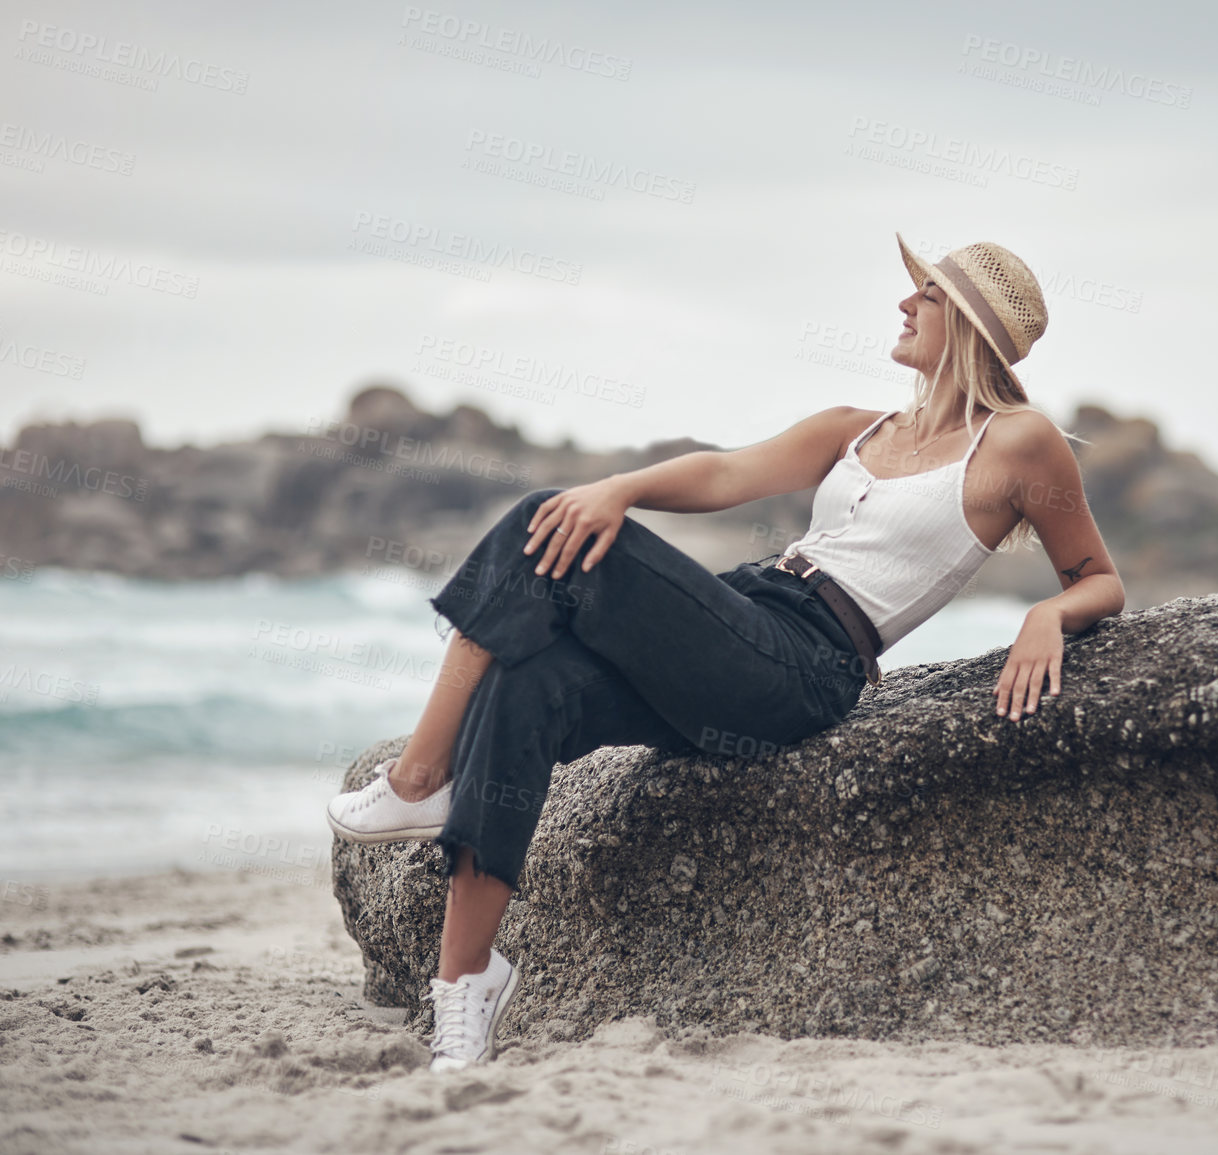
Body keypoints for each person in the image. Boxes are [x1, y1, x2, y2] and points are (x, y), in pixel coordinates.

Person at [325, 232, 1125, 1071]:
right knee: (526, 681)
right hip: (745, 615)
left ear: (965, 322)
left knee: (539, 520)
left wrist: (1049, 613)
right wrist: (622, 488)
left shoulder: (1019, 440)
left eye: (924, 294)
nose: (902, 303)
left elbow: (1097, 577)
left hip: (805, 662)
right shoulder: (859, 427)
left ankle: (420, 779)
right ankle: (467, 984)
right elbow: (723, 475)